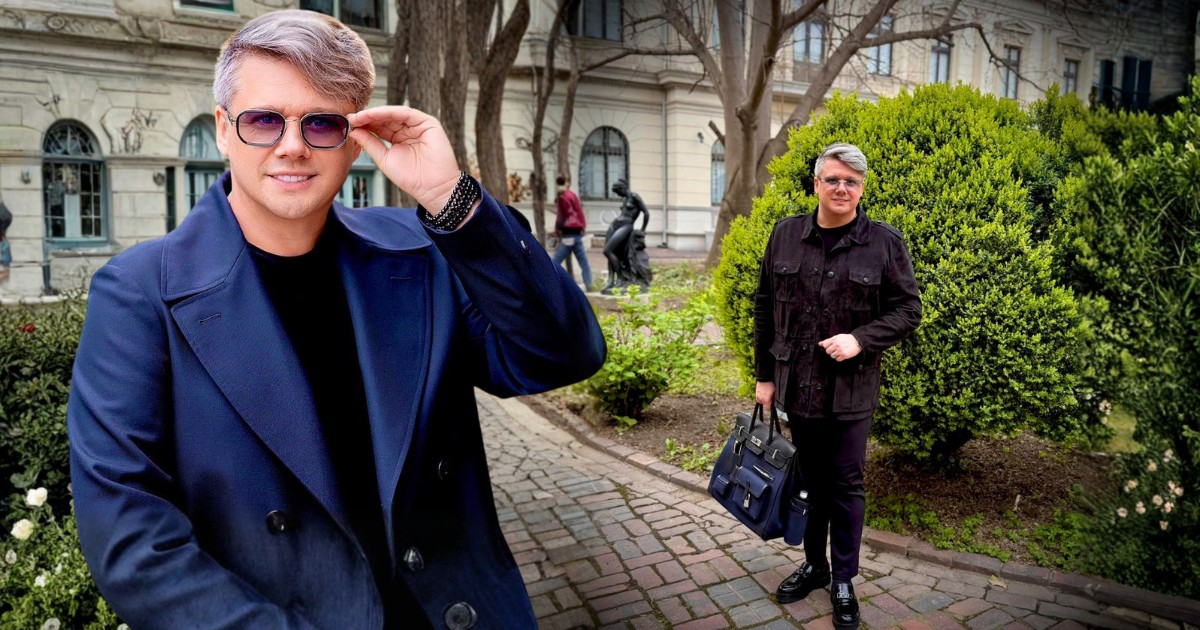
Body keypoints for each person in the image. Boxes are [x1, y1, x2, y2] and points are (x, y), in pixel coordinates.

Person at [67, 10, 605, 630]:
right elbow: (133, 539)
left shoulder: (420, 252)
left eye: (321, 123)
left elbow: (562, 353)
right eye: (263, 120)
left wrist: (451, 200)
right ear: (223, 130)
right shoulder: (141, 294)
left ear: (355, 139)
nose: (292, 145)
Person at [753, 143, 921, 630]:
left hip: (851, 392)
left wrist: (860, 339)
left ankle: (843, 579)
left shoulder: (884, 243)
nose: (842, 188)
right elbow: (764, 306)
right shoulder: (785, 235)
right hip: (798, 386)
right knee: (811, 480)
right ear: (816, 185)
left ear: (862, 189)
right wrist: (764, 376)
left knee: (846, 483)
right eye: (833, 179)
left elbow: (908, 310)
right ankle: (815, 566)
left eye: (851, 181)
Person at [600, 178, 649, 294]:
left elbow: (646, 213)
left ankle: (621, 279)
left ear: (623, 188)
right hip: (615, 225)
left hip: (626, 226)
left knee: (608, 251)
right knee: (613, 251)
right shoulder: (626, 199)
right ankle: (611, 280)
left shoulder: (634, 196)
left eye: (618, 192)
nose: (619, 195)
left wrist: (643, 229)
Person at [550, 175, 591, 289]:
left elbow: (561, 216)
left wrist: (557, 228)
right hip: (577, 233)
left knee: (555, 261)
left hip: (567, 233)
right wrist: (583, 226)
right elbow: (580, 211)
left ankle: (549, 283)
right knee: (583, 262)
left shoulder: (562, 197)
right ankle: (589, 284)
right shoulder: (573, 195)